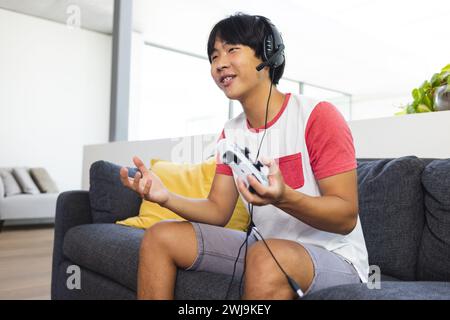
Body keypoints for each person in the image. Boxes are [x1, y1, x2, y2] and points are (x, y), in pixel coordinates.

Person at [120, 13, 369, 300]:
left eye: (232, 50)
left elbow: (345, 216)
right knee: (159, 236)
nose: (219, 63)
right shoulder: (231, 133)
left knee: (266, 255)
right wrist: (165, 197)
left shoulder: (316, 116)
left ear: (267, 54)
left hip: (335, 257)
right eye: (214, 56)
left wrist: (283, 197)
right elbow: (217, 210)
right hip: (264, 246)